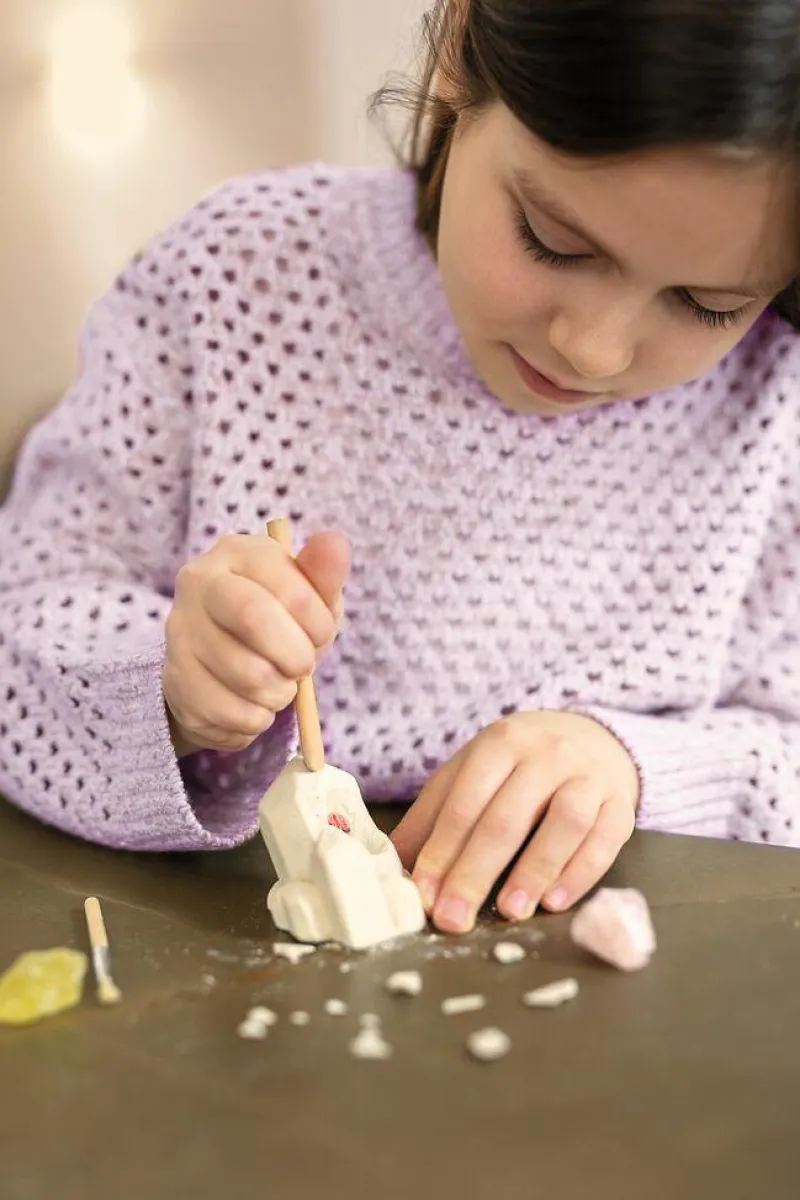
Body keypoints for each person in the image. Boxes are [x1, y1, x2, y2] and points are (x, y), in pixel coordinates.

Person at [1, 0, 799, 936]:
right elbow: (26, 620)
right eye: (555, 241)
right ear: (458, 48)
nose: (593, 349)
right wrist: (169, 684)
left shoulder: (774, 397)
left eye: (706, 303)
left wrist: (640, 767)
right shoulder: (233, 276)